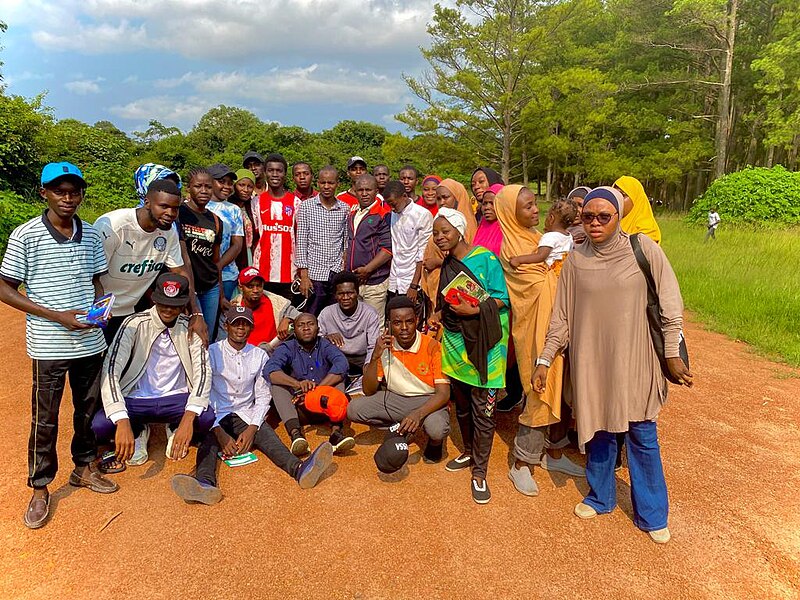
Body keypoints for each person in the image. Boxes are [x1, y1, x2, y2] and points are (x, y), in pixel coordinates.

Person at [532, 186, 692, 544]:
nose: (595, 223)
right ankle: (600, 496)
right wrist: (546, 358)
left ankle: (652, 514)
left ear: (619, 216)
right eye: (588, 216)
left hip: (635, 361)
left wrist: (671, 353)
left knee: (642, 434)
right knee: (600, 431)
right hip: (593, 363)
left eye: (604, 216)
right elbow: (562, 317)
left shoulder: (643, 249)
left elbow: (669, 304)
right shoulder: (575, 258)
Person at [0, 162, 119, 529]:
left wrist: (100, 308)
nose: (68, 198)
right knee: (45, 418)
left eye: (74, 192)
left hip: (89, 340)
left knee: (86, 410)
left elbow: (97, 280)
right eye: (59, 191)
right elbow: (5, 287)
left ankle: (83, 467)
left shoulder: (90, 235)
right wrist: (56, 315)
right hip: (49, 344)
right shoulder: (26, 235)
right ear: (44, 193)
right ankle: (40, 487)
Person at [170, 306, 334, 505]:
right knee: (209, 438)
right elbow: (203, 392)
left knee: (267, 436)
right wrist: (219, 431)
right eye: (236, 323)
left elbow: (263, 396)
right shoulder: (211, 352)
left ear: (251, 328)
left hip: (245, 413)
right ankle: (205, 484)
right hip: (215, 413)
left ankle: (300, 470)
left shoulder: (259, 355)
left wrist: (252, 428)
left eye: (245, 324)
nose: (241, 328)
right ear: (226, 325)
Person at [495, 185, 585, 499]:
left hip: (559, 325)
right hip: (536, 330)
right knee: (540, 388)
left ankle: (554, 454)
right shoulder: (511, 248)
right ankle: (522, 462)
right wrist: (561, 271)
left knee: (563, 389)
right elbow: (535, 285)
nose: (536, 211)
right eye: (528, 206)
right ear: (510, 212)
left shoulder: (538, 239)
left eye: (535, 205)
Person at [427, 208, 510, 504]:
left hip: (485, 346)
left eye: (445, 232)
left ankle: (480, 472)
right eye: (436, 233)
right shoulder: (449, 262)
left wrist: (475, 310)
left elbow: (503, 299)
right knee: (461, 404)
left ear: (460, 231)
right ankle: (468, 451)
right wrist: (438, 314)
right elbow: (447, 301)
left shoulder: (486, 259)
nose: (440, 237)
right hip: (454, 342)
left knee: (483, 411)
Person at [93, 273, 215, 471]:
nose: (168, 309)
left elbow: (203, 373)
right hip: (136, 399)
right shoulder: (133, 324)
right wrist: (122, 420)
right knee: (100, 426)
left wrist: (188, 418)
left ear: (184, 304)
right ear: (154, 299)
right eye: (163, 303)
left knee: (206, 417)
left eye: (175, 304)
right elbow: (111, 369)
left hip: (177, 399)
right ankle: (138, 429)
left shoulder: (191, 327)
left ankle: (175, 428)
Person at [95, 179, 203, 345]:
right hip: (101, 310)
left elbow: (180, 273)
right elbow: (93, 276)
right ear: (147, 202)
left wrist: (196, 313)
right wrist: (98, 313)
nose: (171, 213)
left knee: (124, 366)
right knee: (92, 366)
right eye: (164, 206)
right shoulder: (114, 226)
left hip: (131, 311)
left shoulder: (169, 232)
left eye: (175, 208)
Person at [347, 296, 451, 464]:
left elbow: (443, 394)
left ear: (416, 321)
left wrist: (417, 414)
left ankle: (434, 443)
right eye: (397, 323)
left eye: (409, 321)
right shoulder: (384, 346)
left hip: (428, 401)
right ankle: (403, 426)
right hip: (396, 399)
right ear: (389, 324)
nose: (404, 328)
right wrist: (375, 357)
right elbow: (369, 390)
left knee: (437, 429)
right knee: (353, 409)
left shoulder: (433, 346)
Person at [264, 313, 355, 455]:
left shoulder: (325, 345)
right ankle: (296, 435)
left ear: (318, 328)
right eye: (301, 325)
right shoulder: (287, 347)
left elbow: (342, 363)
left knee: (339, 380)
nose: (306, 328)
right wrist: (297, 384)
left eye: (310, 324)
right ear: (294, 330)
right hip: (299, 408)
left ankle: (336, 434)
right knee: (277, 386)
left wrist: (316, 391)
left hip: (324, 406)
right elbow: (270, 370)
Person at [295, 165, 349, 315]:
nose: (326, 186)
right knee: (311, 314)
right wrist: (304, 276)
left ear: (337, 184)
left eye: (331, 183)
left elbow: (346, 243)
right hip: (314, 274)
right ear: (318, 183)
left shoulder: (344, 208)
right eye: (323, 183)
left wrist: (343, 271)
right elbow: (301, 242)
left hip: (336, 272)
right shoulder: (306, 207)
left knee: (334, 315)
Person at [420, 179, 478, 316]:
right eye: (438, 198)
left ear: (458, 198)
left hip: (456, 291)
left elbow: (468, 261)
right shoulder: (438, 221)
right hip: (436, 285)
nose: (441, 202)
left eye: (446, 197)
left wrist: (437, 262)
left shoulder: (466, 226)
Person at [178, 167, 223, 337]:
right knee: (190, 335)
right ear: (188, 188)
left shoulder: (216, 221)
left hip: (210, 287)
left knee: (208, 336)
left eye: (208, 187)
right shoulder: (178, 214)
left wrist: (221, 294)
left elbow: (215, 260)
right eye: (198, 186)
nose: (204, 191)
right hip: (187, 287)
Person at [345, 173, 392, 320]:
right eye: (360, 190)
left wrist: (367, 270)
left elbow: (388, 249)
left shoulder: (384, 213)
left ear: (376, 191)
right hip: (355, 281)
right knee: (356, 323)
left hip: (375, 281)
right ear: (355, 191)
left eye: (368, 190)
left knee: (375, 323)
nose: (364, 194)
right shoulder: (353, 212)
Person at [252, 152, 299, 300]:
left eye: (279, 171)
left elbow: (301, 238)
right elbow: (253, 237)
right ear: (265, 173)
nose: (275, 174)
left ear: (285, 174)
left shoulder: (296, 203)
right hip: (262, 271)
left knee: (286, 316)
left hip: (289, 273)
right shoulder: (256, 202)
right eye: (271, 170)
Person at [318, 271, 381, 377]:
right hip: (336, 357)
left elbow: (373, 346)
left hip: (362, 358)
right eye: (341, 294)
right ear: (335, 296)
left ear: (357, 292)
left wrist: (368, 366)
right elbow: (315, 342)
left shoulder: (369, 313)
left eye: (350, 293)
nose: (346, 297)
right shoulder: (326, 313)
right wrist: (326, 338)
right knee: (317, 366)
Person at [385, 181, 432, 320]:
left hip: (412, 282)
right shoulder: (392, 215)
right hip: (394, 281)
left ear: (404, 196)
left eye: (394, 204)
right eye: (389, 205)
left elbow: (422, 253)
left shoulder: (422, 215)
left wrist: (413, 285)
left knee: (413, 325)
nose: (392, 208)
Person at [233, 266, 297, 350]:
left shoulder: (277, 302)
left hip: (274, 353)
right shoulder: (233, 307)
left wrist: (288, 318)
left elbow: (302, 318)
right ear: (241, 287)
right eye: (250, 286)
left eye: (259, 286)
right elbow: (224, 339)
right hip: (244, 355)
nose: (255, 290)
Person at [207, 164, 245, 301]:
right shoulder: (197, 206)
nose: (226, 186)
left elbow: (237, 244)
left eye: (230, 183)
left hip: (228, 275)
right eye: (221, 182)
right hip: (202, 275)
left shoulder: (234, 210)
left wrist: (219, 265)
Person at [509, 199, 577, 271]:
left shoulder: (550, 237)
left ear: (551, 219)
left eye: (547, 216)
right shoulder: (569, 236)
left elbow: (540, 256)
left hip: (553, 274)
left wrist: (518, 259)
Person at [615, 176, 662, 244]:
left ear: (635, 199)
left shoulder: (648, 231)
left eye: (622, 195)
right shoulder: (604, 222)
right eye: (615, 194)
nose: (617, 199)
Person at [231, 168, 258, 269]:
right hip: (233, 256)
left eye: (250, 186)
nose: (245, 190)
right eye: (241, 185)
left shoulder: (252, 207)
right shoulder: (228, 207)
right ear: (234, 186)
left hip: (249, 255)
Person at [473, 183, 504, 256]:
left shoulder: (509, 230)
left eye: (492, 203)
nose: (487, 207)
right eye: (484, 203)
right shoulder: (481, 227)